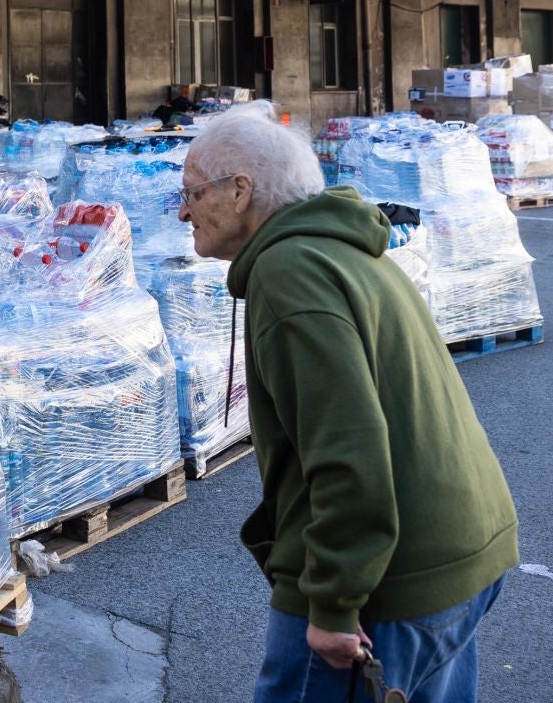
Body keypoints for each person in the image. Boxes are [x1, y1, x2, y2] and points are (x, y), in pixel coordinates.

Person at [177, 104, 518, 703]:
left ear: (240, 192)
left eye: (192, 192)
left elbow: (346, 447)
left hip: (389, 588)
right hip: (459, 555)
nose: (183, 211)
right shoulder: (341, 247)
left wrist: (334, 602)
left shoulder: (289, 273)